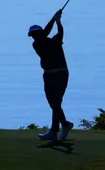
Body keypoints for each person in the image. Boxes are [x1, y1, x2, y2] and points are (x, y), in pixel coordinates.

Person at [28, 9, 74, 141]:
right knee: (52, 102)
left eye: (35, 33)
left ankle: (54, 130)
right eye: (32, 35)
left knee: (56, 102)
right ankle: (64, 124)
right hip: (48, 76)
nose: (33, 36)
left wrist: (57, 21)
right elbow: (46, 33)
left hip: (61, 74)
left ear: (39, 32)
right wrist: (54, 19)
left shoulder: (55, 40)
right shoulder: (37, 44)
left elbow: (60, 32)